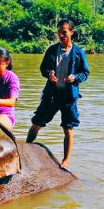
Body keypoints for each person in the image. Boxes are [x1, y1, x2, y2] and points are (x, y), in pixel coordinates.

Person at [26, 19, 90, 170]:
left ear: (72, 32)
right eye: (59, 32)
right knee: (37, 122)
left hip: (69, 96)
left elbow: (85, 73)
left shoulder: (78, 52)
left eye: (64, 32)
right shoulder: (52, 50)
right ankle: (25, 148)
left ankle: (66, 161)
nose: (61, 35)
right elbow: (43, 69)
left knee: (68, 128)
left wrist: (75, 78)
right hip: (51, 95)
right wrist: (49, 74)